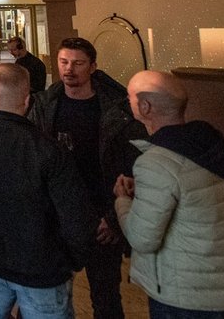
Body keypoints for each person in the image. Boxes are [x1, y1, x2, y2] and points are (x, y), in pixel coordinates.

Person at [0, 63, 96, 319]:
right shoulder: (47, 149)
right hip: (40, 268)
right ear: (28, 100)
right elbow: (75, 216)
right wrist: (70, 261)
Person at [28, 37, 147, 319]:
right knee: (49, 296)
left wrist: (115, 217)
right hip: (59, 216)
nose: (69, 69)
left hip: (101, 217)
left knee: (106, 298)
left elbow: (134, 168)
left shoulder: (117, 111)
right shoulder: (46, 104)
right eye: (64, 62)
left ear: (93, 66)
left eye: (78, 63)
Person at [114, 71, 224, 318]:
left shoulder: (156, 162)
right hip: (220, 286)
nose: (128, 102)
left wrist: (122, 200)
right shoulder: (214, 144)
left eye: (130, 97)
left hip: (182, 292)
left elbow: (142, 237)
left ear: (145, 106)